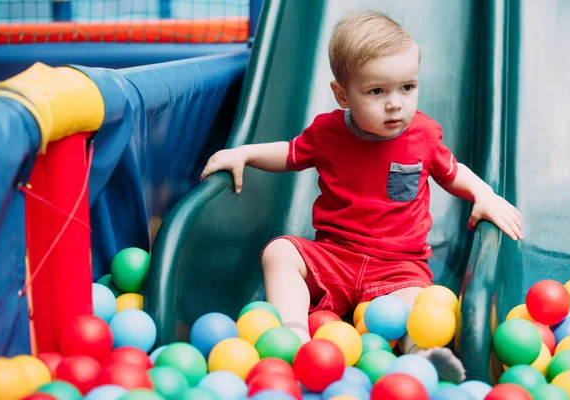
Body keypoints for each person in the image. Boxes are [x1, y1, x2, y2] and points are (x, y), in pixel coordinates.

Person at [200, 11, 523, 383]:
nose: (395, 104)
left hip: (398, 267)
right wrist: (245, 153)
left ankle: (422, 355)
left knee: (416, 306)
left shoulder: (423, 135)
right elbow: (289, 154)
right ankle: (292, 335)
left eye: (407, 87)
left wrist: (483, 194)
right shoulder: (327, 133)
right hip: (335, 255)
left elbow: (453, 172)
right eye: (376, 92)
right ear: (342, 95)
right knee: (280, 252)